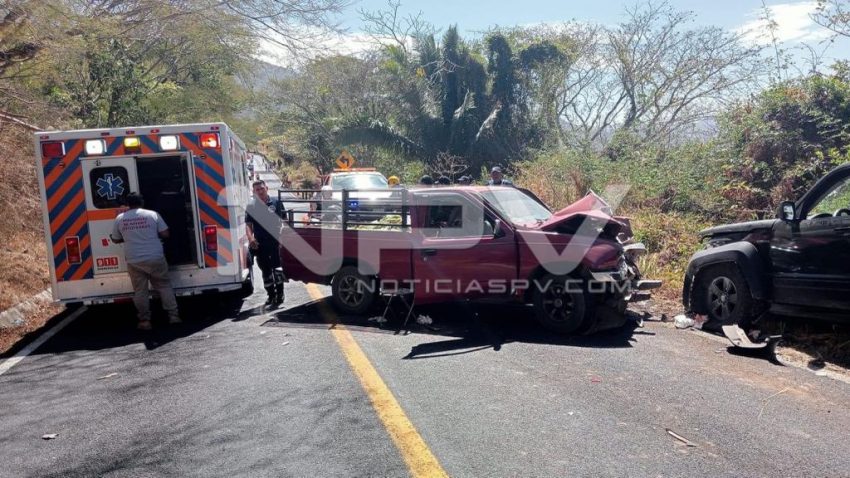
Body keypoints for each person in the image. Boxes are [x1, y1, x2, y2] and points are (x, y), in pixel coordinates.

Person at [110, 192, 181, 330]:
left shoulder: (120, 218)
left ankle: (145, 321)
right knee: (164, 286)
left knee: (140, 291)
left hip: (134, 260)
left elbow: (116, 239)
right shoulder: (152, 214)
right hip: (155, 257)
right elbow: (165, 233)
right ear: (141, 202)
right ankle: (174, 316)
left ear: (127, 204)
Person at [246, 179, 285, 307]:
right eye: (257, 190)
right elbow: (248, 225)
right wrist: (251, 239)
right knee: (266, 271)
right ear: (253, 192)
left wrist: (282, 238)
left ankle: (280, 294)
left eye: (262, 189)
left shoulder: (276, 202)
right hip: (260, 244)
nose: (260, 191)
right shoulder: (251, 206)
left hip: (275, 242)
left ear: (266, 188)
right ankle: (271, 295)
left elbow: (284, 221)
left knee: (278, 269)